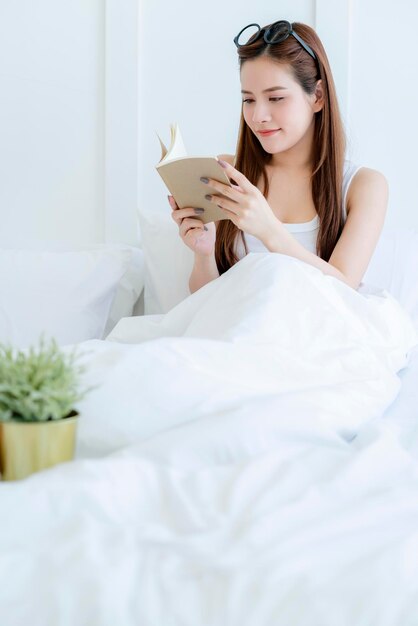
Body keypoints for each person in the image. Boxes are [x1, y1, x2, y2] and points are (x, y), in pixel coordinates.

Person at [168, 20, 388, 294]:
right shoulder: (227, 172)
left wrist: (269, 229)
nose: (258, 116)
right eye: (248, 100)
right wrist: (203, 253)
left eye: (275, 99)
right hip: (232, 330)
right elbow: (204, 305)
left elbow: (343, 291)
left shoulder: (362, 186)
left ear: (318, 96)